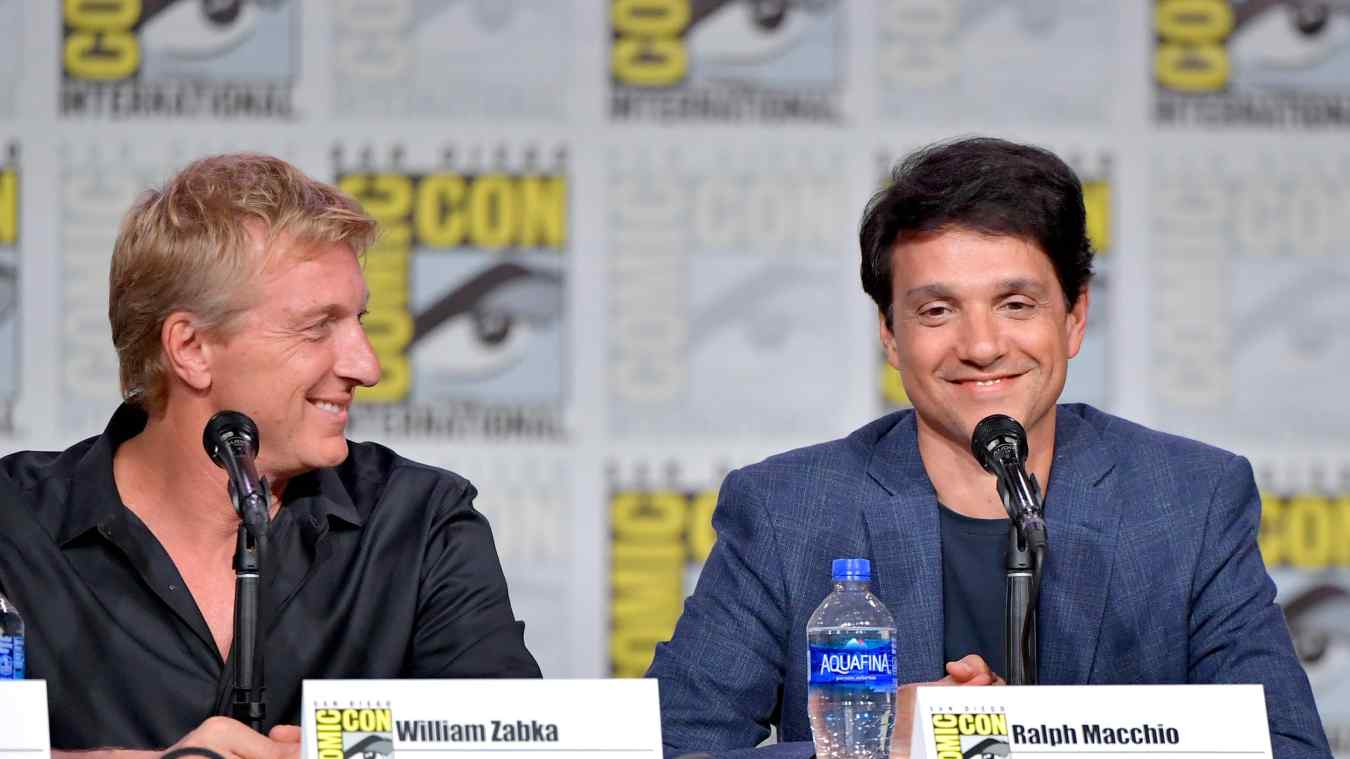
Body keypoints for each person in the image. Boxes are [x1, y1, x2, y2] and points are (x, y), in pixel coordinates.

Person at [646, 138, 1330, 759]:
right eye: (937, 310)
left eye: (1016, 304)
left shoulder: (1188, 500)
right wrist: (872, 748)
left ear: (1075, 318)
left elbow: (1285, 747)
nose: (979, 346)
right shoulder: (787, 510)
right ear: (890, 335)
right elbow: (672, 747)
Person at [0, 154, 541, 758]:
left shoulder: (420, 524)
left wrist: (353, 752)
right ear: (191, 348)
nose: (367, 366)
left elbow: (517, 745)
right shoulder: (14, 528)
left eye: (359, 321)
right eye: (318, 327)